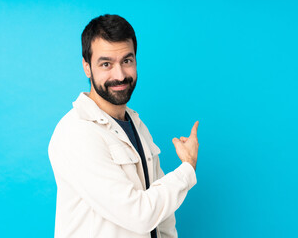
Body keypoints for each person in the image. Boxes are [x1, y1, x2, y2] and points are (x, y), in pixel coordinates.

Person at [48, 14, 199, 238]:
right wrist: (187, 168)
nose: (119, 75)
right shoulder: (76, 133)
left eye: (126, 61)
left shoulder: (137, 125)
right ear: (87, 67)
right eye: (106, 64)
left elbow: (162, 217)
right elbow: (140, 215)